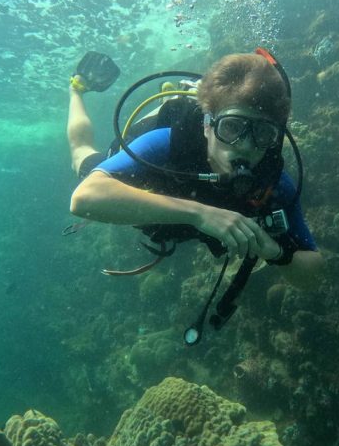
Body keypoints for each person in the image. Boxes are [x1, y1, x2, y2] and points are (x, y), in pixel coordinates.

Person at [67, 51, 323, 290]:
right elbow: (84, 198)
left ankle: (175, 94)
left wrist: (275, 252)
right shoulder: (169, 142)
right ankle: (77, 90)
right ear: (207, 125)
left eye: (263, 133)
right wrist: (200, 215)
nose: (245, 146)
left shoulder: (273, 182)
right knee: (82, 154)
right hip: (151, 165)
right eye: (232, 127)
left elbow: (312, 274)